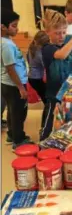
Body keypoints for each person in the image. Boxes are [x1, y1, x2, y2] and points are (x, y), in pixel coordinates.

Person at [40, 9, 72, 141]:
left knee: (66, 119)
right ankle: (43, 142)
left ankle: (62, 140)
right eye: (57, 33)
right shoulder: (47, 48)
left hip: (69, 92)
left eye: (64, 32)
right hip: (55, 94)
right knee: (51, 118)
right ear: (47, 32)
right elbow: (61, 55)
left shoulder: (67, 45)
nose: (61, 36)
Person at [1, 8, 31, 149]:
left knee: (12, 111)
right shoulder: (6, 45)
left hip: (8, 84)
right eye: (13, 25)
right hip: (14, 85)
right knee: (19, 112)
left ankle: (12, 135)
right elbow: (10, 68)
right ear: (2, 27)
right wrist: (20, 87)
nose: (17, 29)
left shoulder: (6, 41)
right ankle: (18, 141)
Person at [27, 31, 50, 104]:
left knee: (44, 97)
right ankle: (47, 113)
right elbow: (46, 66)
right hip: (36, 79)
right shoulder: (39, 53)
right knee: (46, 99)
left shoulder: (31, 48)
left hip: (32, 77)